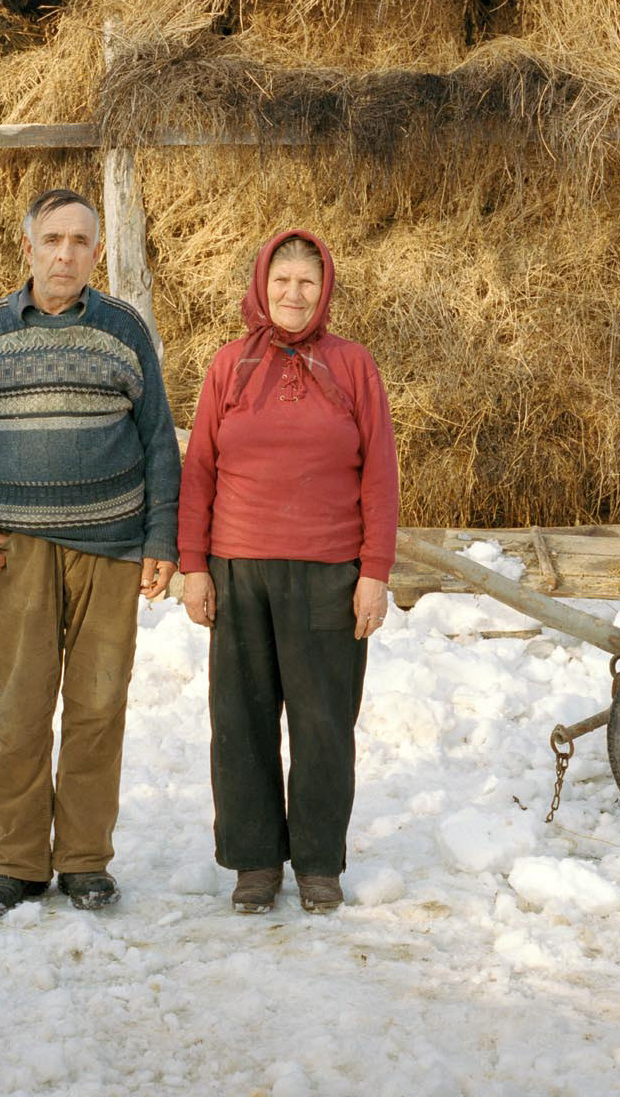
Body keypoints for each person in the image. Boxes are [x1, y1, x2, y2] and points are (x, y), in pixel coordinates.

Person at [0, 187, 181, 921]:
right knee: (21, 710)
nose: (65, 253)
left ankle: (84, 862)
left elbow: (158, 444)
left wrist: (161, 539)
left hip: (110, 547)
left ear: (97, 252)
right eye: (53, 239)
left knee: (98, 707)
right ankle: (16, 863)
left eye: (80, 240)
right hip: (21, 553)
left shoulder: (124, 332)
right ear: (29, 247)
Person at [178, 229, 398, 914]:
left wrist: (374, 571)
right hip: (239, 568)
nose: (293, 295)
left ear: (324, 288)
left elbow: (381, 475)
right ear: (261, 287)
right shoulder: (229, 366)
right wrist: (194, 566)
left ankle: (318, 864)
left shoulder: (353, 365)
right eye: (281, 283)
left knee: (323, 723)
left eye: (306, 282)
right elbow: (199, 473)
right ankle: (253, 864)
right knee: (240, 722)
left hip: (329, 573)